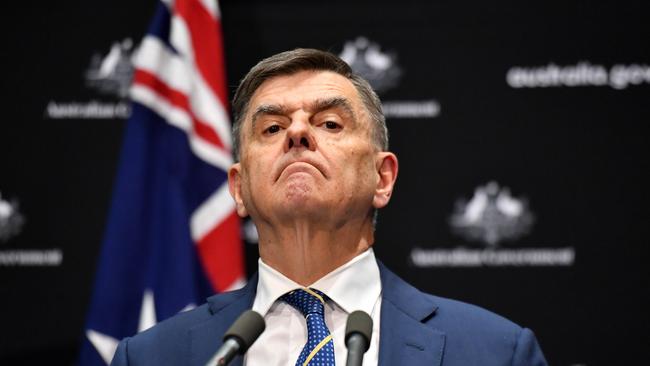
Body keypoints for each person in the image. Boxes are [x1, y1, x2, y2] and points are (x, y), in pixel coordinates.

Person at [111, 48, 548, 366]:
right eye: (272, 127)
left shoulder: (494, 352)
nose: (297, 134)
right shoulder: (152, 357)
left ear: (383, 178)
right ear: (239, 189)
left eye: (330, 123)